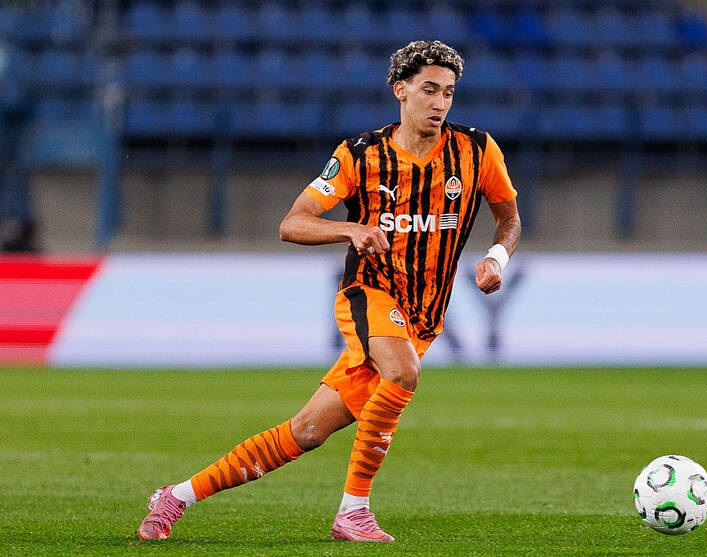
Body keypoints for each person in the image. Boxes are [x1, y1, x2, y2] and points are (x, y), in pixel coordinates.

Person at [137, 39, 521, 543]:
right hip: (369, 292)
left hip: (423, 317)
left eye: (448, 93)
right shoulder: (360, 155)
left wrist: (497, 257)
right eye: (429, 90)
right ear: (400, 90)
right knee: (403, 372)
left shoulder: (477, 151)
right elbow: (293, 223)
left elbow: (509, 218)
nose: (440, 103)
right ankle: (353, 512)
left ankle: (176, 496)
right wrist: (351, 229)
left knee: (307, 432)